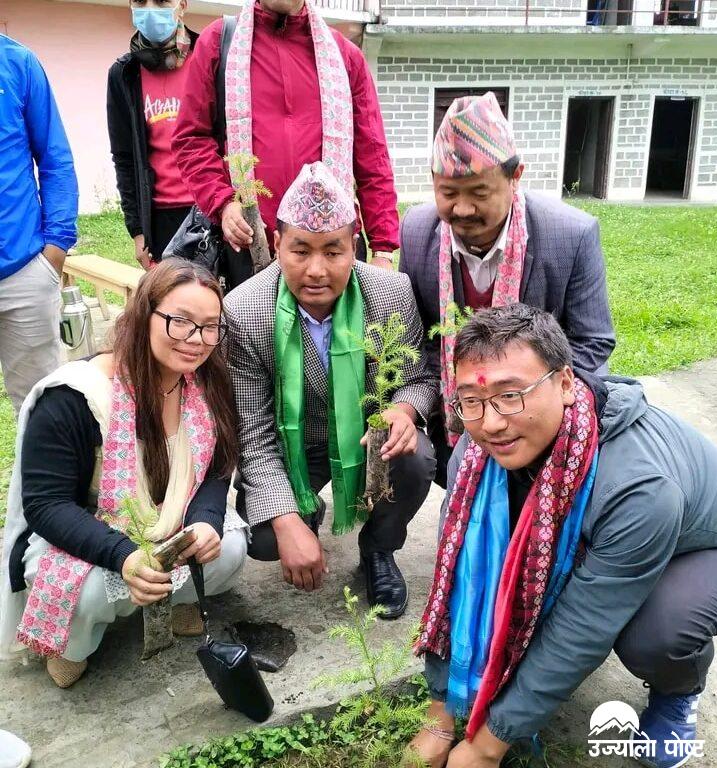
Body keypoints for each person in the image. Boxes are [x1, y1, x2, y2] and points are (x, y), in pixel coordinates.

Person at [405, 304, 717, 768]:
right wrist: (440, 716)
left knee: (657, 634)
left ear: (567, 383)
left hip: (697, 545)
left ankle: (678, 690)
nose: (490, 423)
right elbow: (462, 578)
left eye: (512, 395)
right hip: (617, 534)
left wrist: (487, 747)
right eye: (471, 399)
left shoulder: (638, 490)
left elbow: (582, 628)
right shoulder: (476, 452)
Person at [0, 260, 248, 688]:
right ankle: (71, 643)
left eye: (210, 327)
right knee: (92, 591)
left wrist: (206, 521)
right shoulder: (75, 396)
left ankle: (174, 599)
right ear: (143, 314)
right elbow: (46, 505)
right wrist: (124, 556)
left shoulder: (206, 381)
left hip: (168, 524)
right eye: (180, 321)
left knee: (229, 548)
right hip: (88, 533)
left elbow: (218, 465)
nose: (197, 340)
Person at [224, 162, 437, 618]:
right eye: (300, 251)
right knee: (264, 538)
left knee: (416, 458)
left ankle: (378, 549)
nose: (316, 270)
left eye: (333, 252)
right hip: (291, 447)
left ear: (353, 246)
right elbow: (254, 434)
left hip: (366, 441)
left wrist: (403, 410)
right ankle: (304, 511)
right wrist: (285, 521)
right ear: (277, 244)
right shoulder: (243, 310)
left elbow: (420, 377)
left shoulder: (391, 292)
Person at [399, 93, 615, 488]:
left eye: (479, 194)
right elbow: (419, 338)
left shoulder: (570, 235)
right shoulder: (416, 231)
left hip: (537, 414)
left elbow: (593, 342)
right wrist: (469, 402)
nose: (462, 209)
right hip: (457, 410)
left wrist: (520, 400)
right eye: (448, 194)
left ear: (515, 178)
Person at [172, 0, 399, 290]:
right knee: (254, 335)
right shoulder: (220, 43)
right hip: (250, 247)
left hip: (331, 254)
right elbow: (192, 138)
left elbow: (373, 158)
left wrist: (382, 251)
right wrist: (224, 203)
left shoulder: (344, 58)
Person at [0, 35, 78, 415]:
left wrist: (55, 250)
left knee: (38, 409)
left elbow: (55, 159)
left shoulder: (17, 63)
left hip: (23, 273)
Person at [107, 0, 199, 269]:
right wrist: (137, 230)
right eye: (140, 1)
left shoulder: (210, 57)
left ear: (182, 5)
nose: (150, 9)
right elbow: (124, 157)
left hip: (209, 209)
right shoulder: (124, 74)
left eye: (161, 1)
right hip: (159, 219)